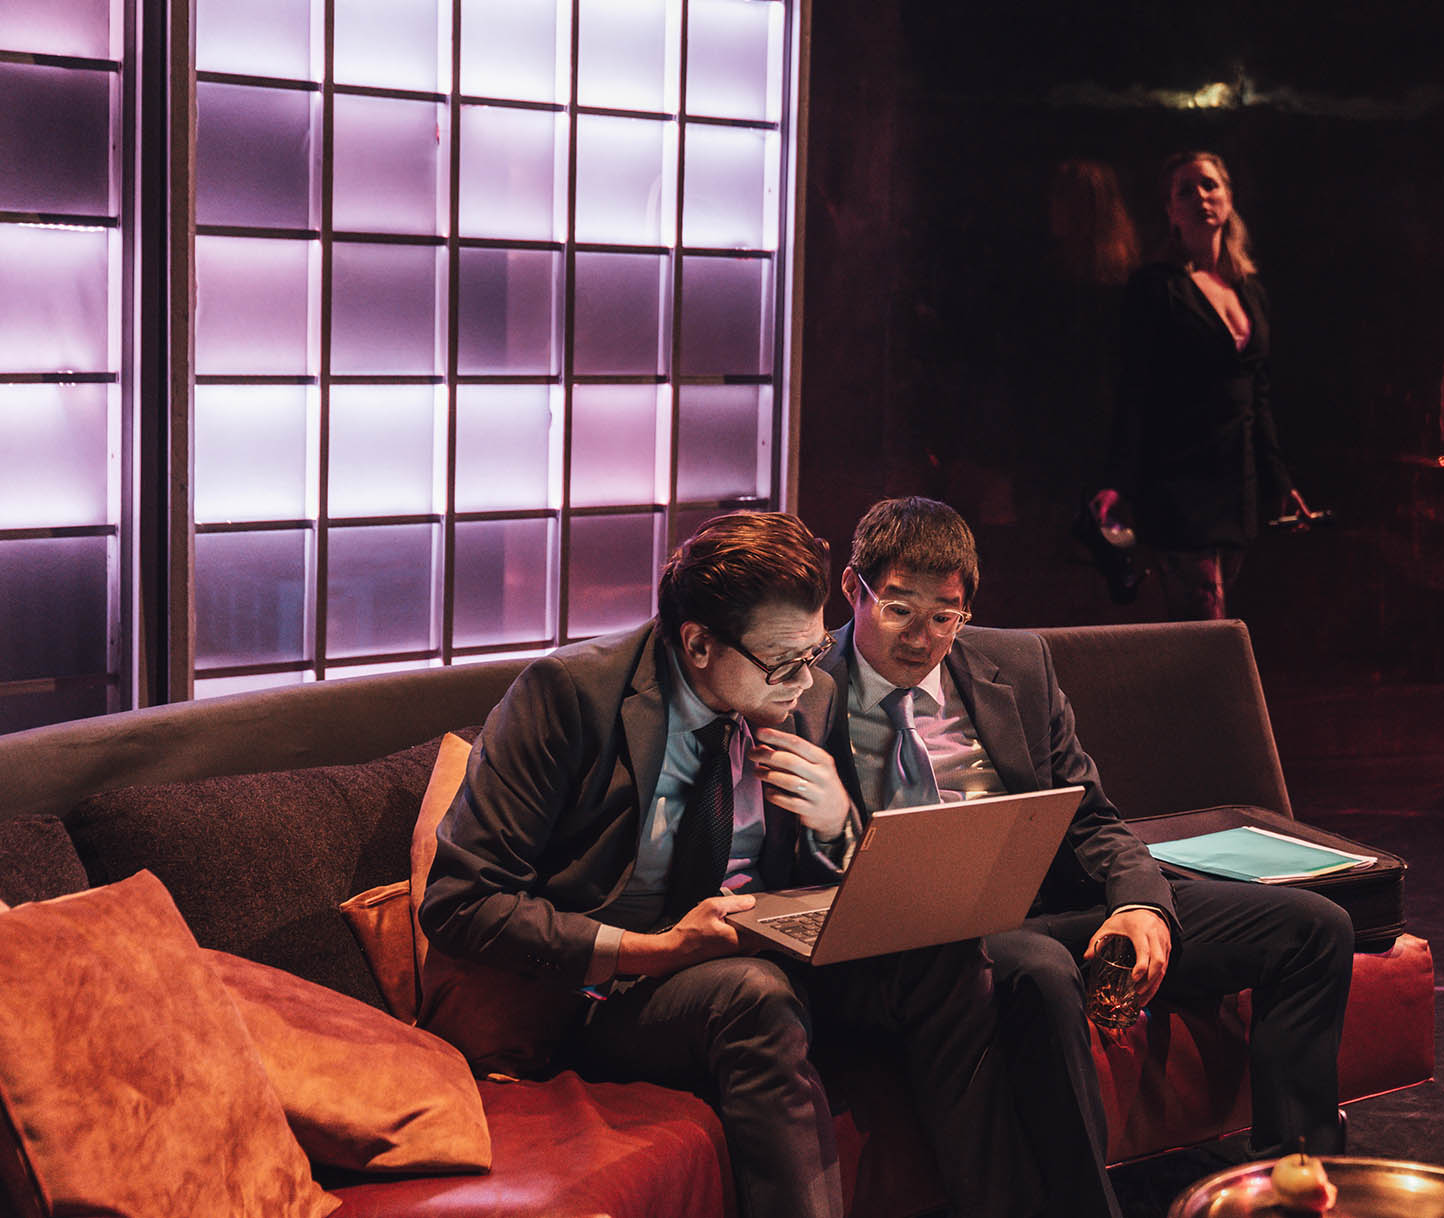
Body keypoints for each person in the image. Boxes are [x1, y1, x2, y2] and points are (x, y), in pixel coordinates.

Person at [420, 510, 1041, 1218]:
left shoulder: (807, 694)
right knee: (753, 993)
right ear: (698, 644)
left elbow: (820, 872)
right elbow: (461, 902)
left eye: (813, 653)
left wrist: (839, 825)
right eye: (783, 663)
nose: (806, 681)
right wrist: (657, 951)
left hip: (770, 951)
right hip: (616, 991)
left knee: (948, 955)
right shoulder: (569, 696)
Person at [804, 497, 1355, 1218]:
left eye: (945, 617)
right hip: (937, 941)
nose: (921, 638)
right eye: (899, 610)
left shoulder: (1016, 664)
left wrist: (1139, 904)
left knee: (1314, 929)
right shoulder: (805, 689)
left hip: (1053, 901)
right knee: (1039, 971)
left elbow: (1091, 816)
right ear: (854, 588)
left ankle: (1287, 1187)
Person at [1095, 150, 1316, 620]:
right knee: (1206, 616)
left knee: (1209, 618)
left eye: (1209, 185)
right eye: (1185, 190)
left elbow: (1257, 396)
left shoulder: (1249, 290)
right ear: (1170, 210)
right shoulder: (1156, 287)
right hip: (1179, 476)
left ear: (1229, 198)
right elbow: (1134, 389)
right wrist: (1117, 480)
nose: (1200, 196)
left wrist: (1278, 479)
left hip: (1237, 481)